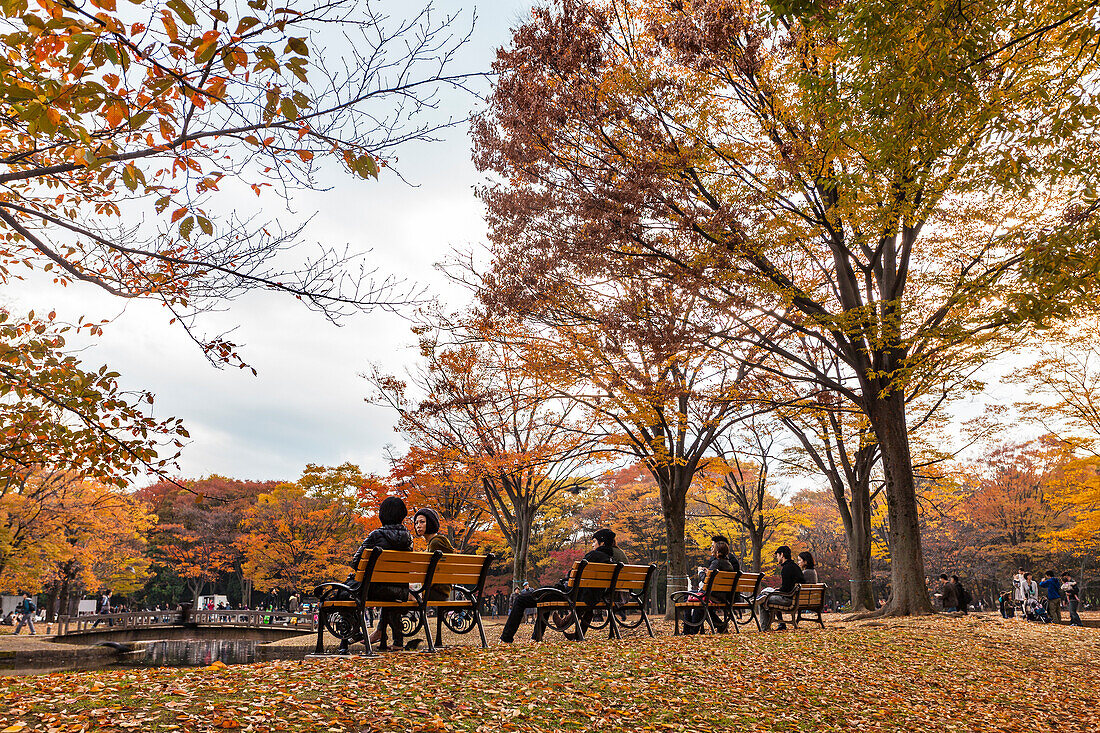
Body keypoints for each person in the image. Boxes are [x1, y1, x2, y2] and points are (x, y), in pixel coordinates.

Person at [500, 528, 618, 643]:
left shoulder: (593, 556)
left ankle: (506, 638)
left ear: (601, 543)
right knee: (543, 595)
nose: (592, 545)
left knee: (521, 599)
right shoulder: (610, 561)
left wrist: (562, 583)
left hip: (569, 595)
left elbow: (572, 577)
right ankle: (535, 637)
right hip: (585, 597)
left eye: (594, 542)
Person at [339, 496, 414, 653]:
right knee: (386, 597)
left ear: (382, 515)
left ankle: (352, 633)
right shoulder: (409, 538)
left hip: (374, 589)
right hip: (399, 590)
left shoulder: (376, 535)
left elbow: (356, 563)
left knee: (343, 591)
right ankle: (396, 640)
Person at [684, 535, 737, 634]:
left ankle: (689, 630)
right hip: (722, 595)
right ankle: (717, 625)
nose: (711, 549)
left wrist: (701, 572)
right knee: (695, 599)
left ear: (717, 550)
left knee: (688, 596)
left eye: (713, 547)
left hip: (713, 595)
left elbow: (706, 580)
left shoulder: (717, 563)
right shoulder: (728, 564)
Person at [758, 545, 804, 630]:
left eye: (777, 555)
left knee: (763, 600)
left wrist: (777, 590)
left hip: (789, 600)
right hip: (796, 598)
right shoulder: (795, 567)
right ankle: (781, 624)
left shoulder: (786, 568)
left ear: (782, 555)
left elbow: (786, 590)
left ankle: (764, 628)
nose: (777, 558)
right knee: (769, 595)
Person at [413, 507, 455, 600]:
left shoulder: (436, 543)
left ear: (431, 523)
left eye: (422, 522)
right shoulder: (434, 543)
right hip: (438, 590)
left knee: (401, 594)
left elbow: (433, 572)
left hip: (436, 591)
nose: (418, 526)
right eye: (416, 523)